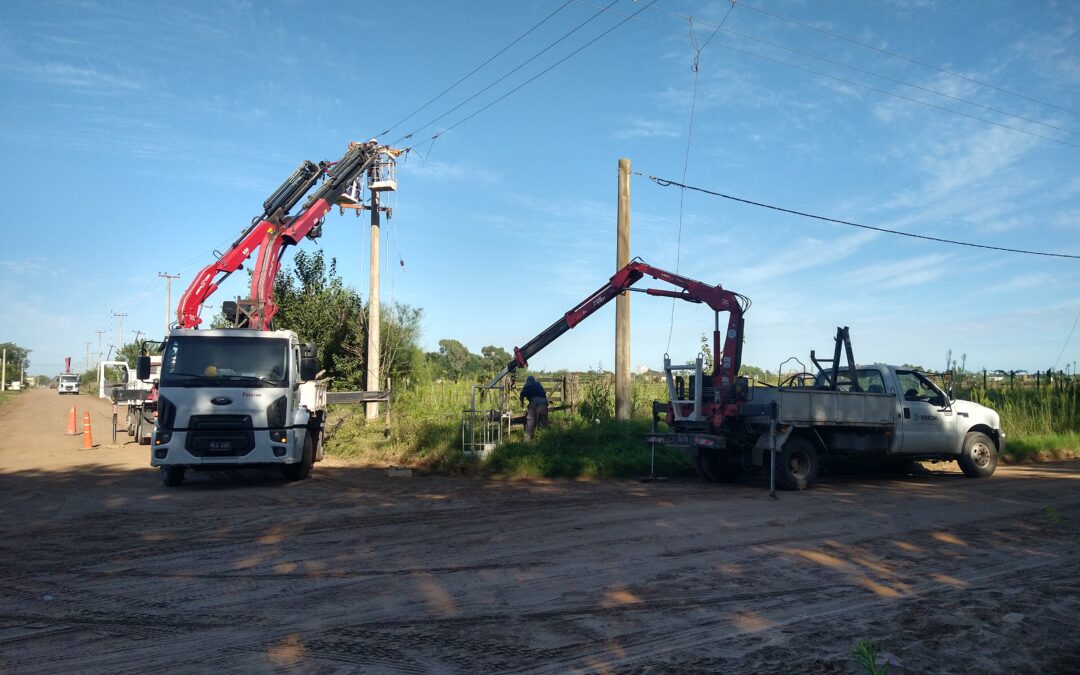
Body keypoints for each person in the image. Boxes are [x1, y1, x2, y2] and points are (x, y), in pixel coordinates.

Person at [519, 375, 549, 442]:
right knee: (543, 421)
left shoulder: (527, 385)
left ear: (527, 380)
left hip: (535, 402)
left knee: (530, 421)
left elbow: (522, 395)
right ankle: (545, 439)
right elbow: (544, 392)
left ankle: (527, 440)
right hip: (544, 401)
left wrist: (522, 403)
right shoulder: (538, 384)